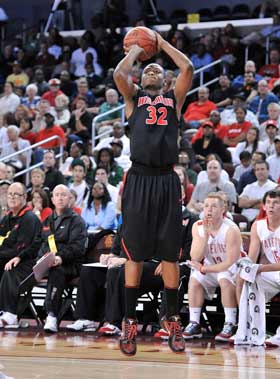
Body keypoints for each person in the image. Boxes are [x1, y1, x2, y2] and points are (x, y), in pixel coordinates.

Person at [113, 31, 193, 355]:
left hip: (166, 180)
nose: (152, 71)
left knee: (170, 253)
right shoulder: (132, 98)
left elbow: (186, 67)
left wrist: (159, 44)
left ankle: (171, 317)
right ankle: (129, 320)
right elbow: (119, 73)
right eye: (149, 69)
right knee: (135, 253)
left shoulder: (174, 99)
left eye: (157, 71)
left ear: (165, 80)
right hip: (139, 179)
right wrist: (135, 50)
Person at [184, 193, 242, 342]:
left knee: (223, 277)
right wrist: (206, 235)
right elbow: (195, 257)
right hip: (211, 266)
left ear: (223, 209)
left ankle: (230, 323)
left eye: (214, 206)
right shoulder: (198, 226)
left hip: (234, 267)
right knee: (195, 278)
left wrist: (205, 269)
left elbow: (230, 262)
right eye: (206, 206)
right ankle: (194, 323)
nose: (209, 210)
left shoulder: (231, 229)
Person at [40, 185, 87, 333]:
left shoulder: (77, 221)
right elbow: (41, 243)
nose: (60, 198)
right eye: (57, 195)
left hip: (71, 265)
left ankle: (51, 315)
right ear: (52, 199)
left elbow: (77, 247)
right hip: (48, 263)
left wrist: (60, 257)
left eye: (64, 195)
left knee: (56, 270)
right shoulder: (47, 221)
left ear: (70, 199)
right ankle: (11, 313)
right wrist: (41, 258)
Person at [239, 190, 280, 346]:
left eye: (275, 203)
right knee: (251, 279)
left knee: (256, 273)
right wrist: (244, 263)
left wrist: (260, 268)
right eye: (268, 202)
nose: (271, 206)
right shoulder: (258, 225)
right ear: (263, 206)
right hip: (271, 271)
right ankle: (252, 333)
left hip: (272, 269)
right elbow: (252, 257)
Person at [0, 182, 42, 328]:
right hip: (8, 258)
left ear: (24, 197)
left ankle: (10, 314)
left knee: (9, 269)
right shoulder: (6, 219)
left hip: (28, 262)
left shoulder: (29, 218)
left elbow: (22, 248)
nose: (11, 197)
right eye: (9, 194)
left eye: (16, 194)